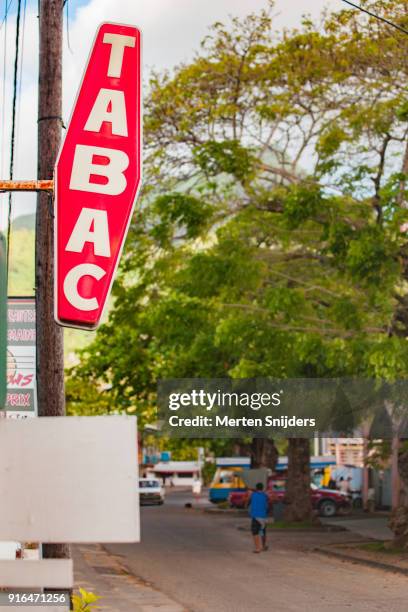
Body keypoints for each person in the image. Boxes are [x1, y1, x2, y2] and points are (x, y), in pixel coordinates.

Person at [248, 482, 269, 553]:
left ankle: (257, 548)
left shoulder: (253, 495)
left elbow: (248, 499)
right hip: (263, 516)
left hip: (255, 516)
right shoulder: (265, 495)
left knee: (255, 532)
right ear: (262, 488)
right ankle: (263, 546)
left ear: (256, 488)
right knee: (262, 532)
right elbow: (268, 503)